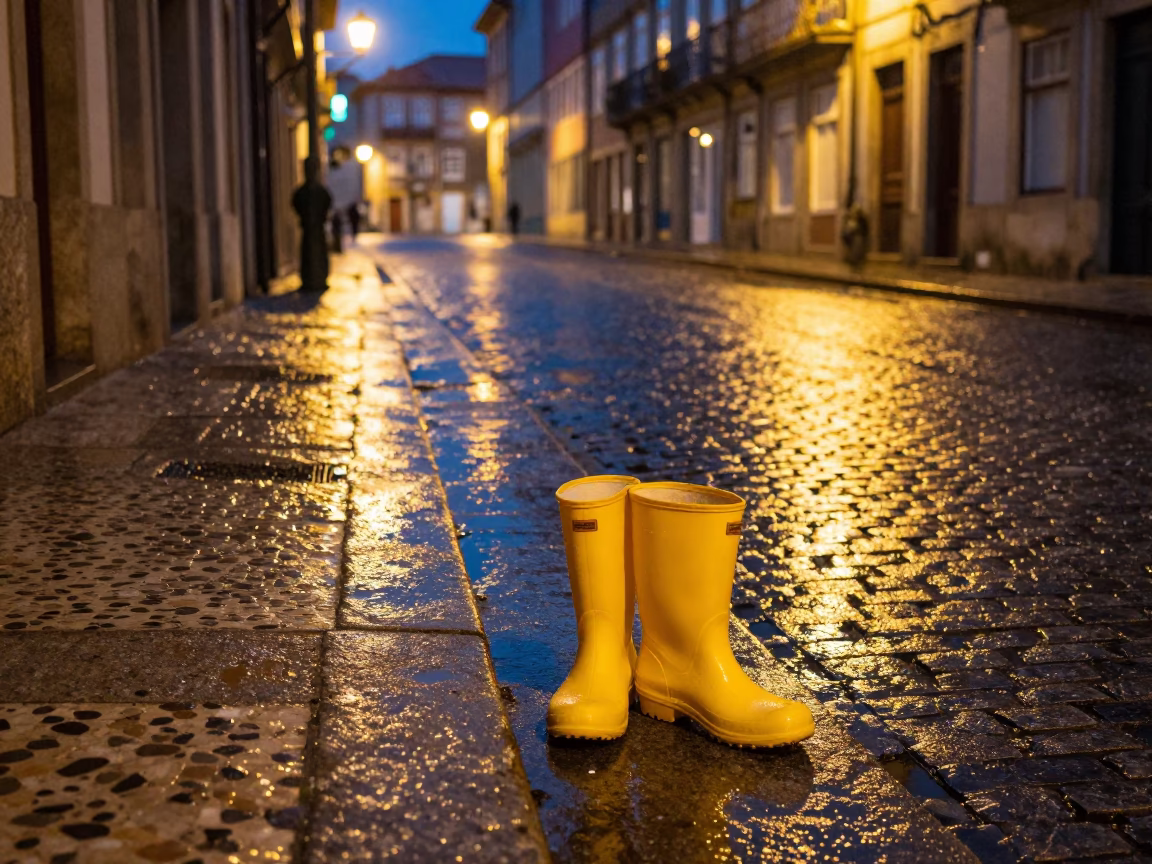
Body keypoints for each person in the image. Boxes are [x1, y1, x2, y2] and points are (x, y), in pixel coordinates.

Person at [291, 156, 332, 292]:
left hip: (317, 229)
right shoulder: (302, 192)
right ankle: (308, 280)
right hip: (308, 229)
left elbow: (327, 203)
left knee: (319, 253)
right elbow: (296, 203)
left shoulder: (321, 192)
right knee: (308, 254)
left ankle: (320, 278)